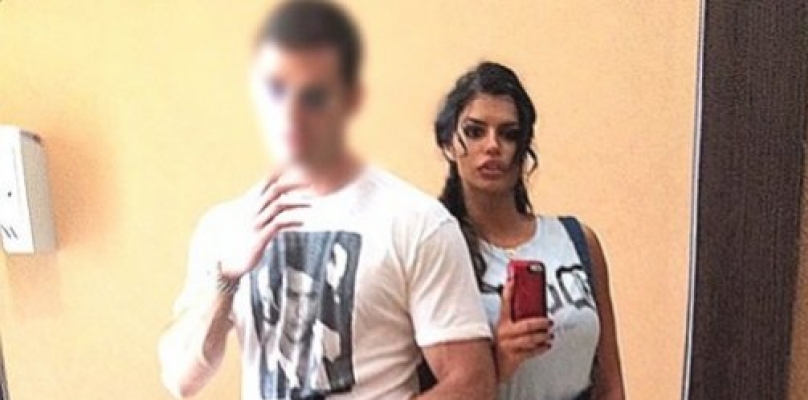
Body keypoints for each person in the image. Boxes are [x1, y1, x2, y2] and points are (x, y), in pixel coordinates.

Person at [157, 2, 495, 399]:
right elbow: (181, 380)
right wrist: (227, 278)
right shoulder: (226, 226)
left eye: (314, 95)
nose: (291, 111)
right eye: (276, 90)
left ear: (350, 99)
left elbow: (472, 382)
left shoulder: (416, 222)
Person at [433, 62, 626, 399]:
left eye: (509, 133)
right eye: (475, 132)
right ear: (449, 142)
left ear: (524, 146)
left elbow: (610, 383)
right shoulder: (439, 250)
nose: (492, 146)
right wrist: (498, 361)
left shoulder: (577, 241)